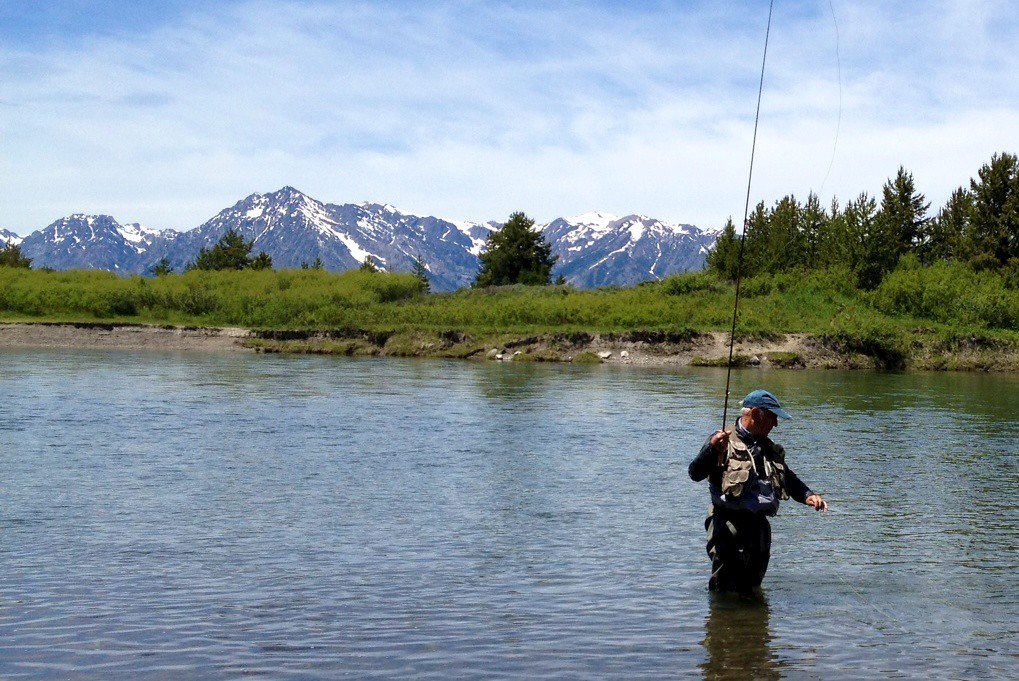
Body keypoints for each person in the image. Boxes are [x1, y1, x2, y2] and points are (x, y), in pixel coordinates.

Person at [689, 389, 827, 595]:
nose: (776, 424)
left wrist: (808, 495)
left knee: (752, 588)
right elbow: (695, 473)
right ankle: (722, 624)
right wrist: (712, 449)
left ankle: (753, 626)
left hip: (759, 527)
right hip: (728, 524)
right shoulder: (721, 441)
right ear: (754, 414)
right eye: (772, 418)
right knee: (724, 590)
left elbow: (789, 479)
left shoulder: (769, 448)